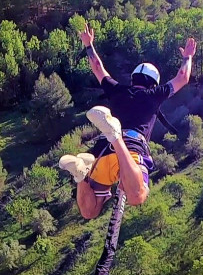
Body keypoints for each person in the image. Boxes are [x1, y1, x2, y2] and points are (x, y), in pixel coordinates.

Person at [60, 23, 196, 219]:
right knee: (137, 196)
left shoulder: (118, 90)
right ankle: (116, 137)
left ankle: (81, 176)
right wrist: (187, 57)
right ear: (153, 82)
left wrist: (89, 45)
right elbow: (183, 77)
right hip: (130, 146)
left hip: (102, 148)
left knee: (90, 211)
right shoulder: (154, 94)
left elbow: (98, 69)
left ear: (133, 79)